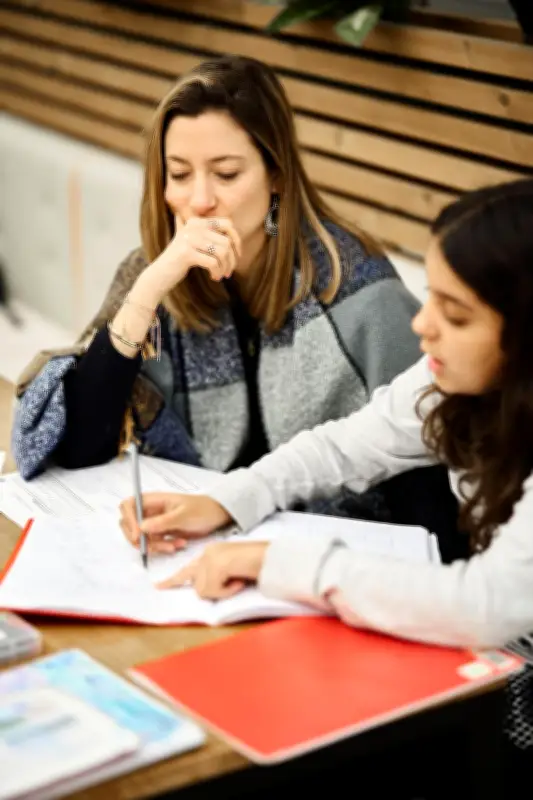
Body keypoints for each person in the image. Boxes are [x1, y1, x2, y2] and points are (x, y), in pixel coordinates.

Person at [119, 178, 533, 772]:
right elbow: (345, 446)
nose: (423, 326)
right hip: (490, 660)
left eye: (456, 314)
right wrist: (230, 501)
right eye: (432, 297)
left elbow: (488, 604)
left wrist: (280, 563)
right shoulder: (451, 381)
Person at [12, 54, 443, 530]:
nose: (199, 201)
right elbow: (78, 447)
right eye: (178, 175)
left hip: (331, 553)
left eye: (226, 174)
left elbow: (426, 475)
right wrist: (149, 288)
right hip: (200, 540)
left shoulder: (359, 288)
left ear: (276, 176)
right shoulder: (151, 276)